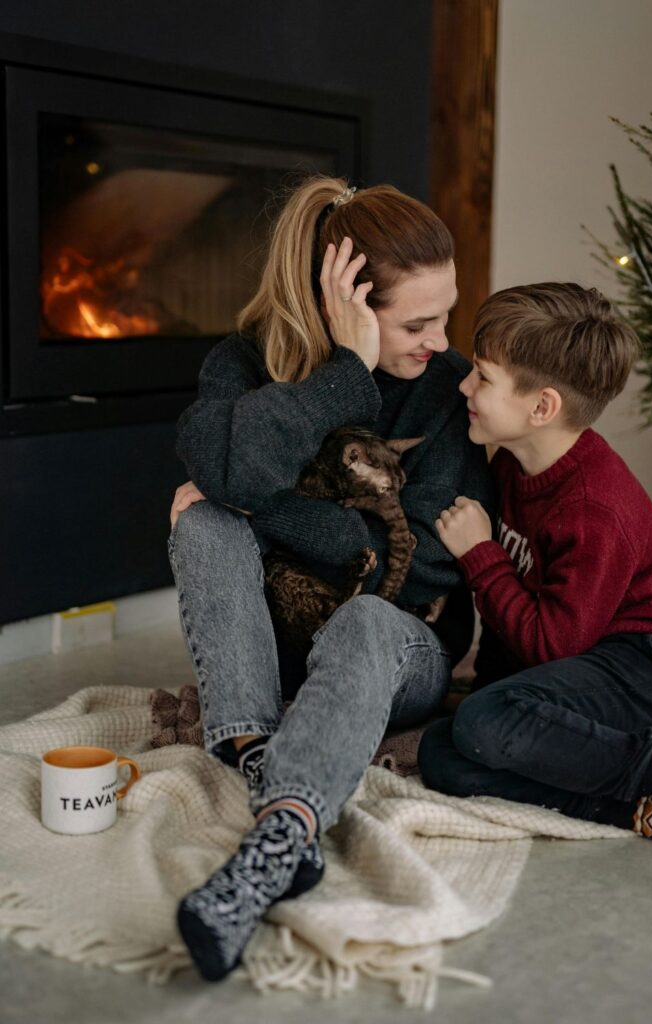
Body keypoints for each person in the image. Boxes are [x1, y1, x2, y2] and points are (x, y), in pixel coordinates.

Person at [168, 175, 493, 981]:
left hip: (396, 655)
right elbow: (228, 473)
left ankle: (277, 835)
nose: (438, 341)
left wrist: (263, 511)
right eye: (415, 322)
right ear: (341, 307)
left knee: (359, 618)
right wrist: (344, 373)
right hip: (277, 657)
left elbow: (402, 570)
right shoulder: (242, 364)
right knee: (204, 521)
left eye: (444, 314)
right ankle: (258, 761)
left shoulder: (445, 393)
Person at [417, 281, 652, 850]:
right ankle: (644, 811)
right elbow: (519, 625)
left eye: (483, 377)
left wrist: (479, 554)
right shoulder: (516, 463)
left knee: (487, 722)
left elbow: (553, 645)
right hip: (594, 661)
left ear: (542, 407)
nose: (464, 384)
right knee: (442, 753)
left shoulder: (594, 507)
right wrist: (493, 684)